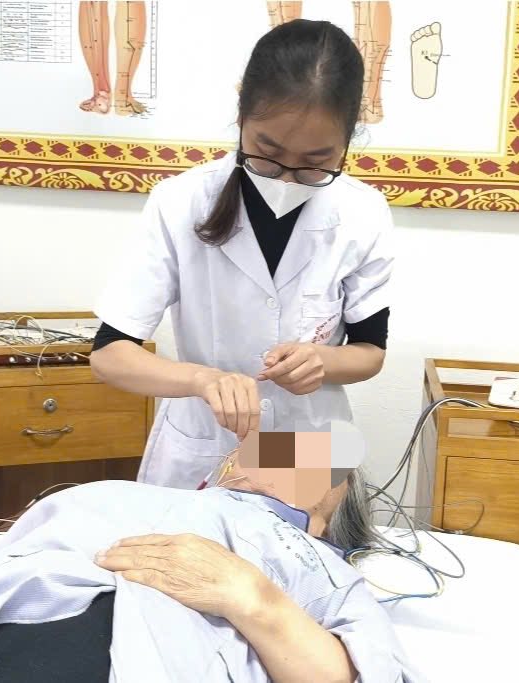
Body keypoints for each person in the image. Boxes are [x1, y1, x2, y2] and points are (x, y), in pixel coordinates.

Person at [0, 431, 422, 682]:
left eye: (315, 461)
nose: (279, 454)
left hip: (104, 645)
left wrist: (252, 597)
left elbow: (348, 676)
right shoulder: (148, 495)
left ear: (330, 518)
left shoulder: (319, 564)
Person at [90, 19, 394, 489]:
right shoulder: (181, 201)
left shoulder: (362, 212)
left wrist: (323, 361)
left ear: (348, 140)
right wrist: (202, 380)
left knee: (294, 537)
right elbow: (109, 354)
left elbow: (370, 352)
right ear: (241, 116)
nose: (286, 179)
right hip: (205, 443)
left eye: (315, 163)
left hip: (307, 446)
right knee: (192, 538)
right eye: (266, 152)